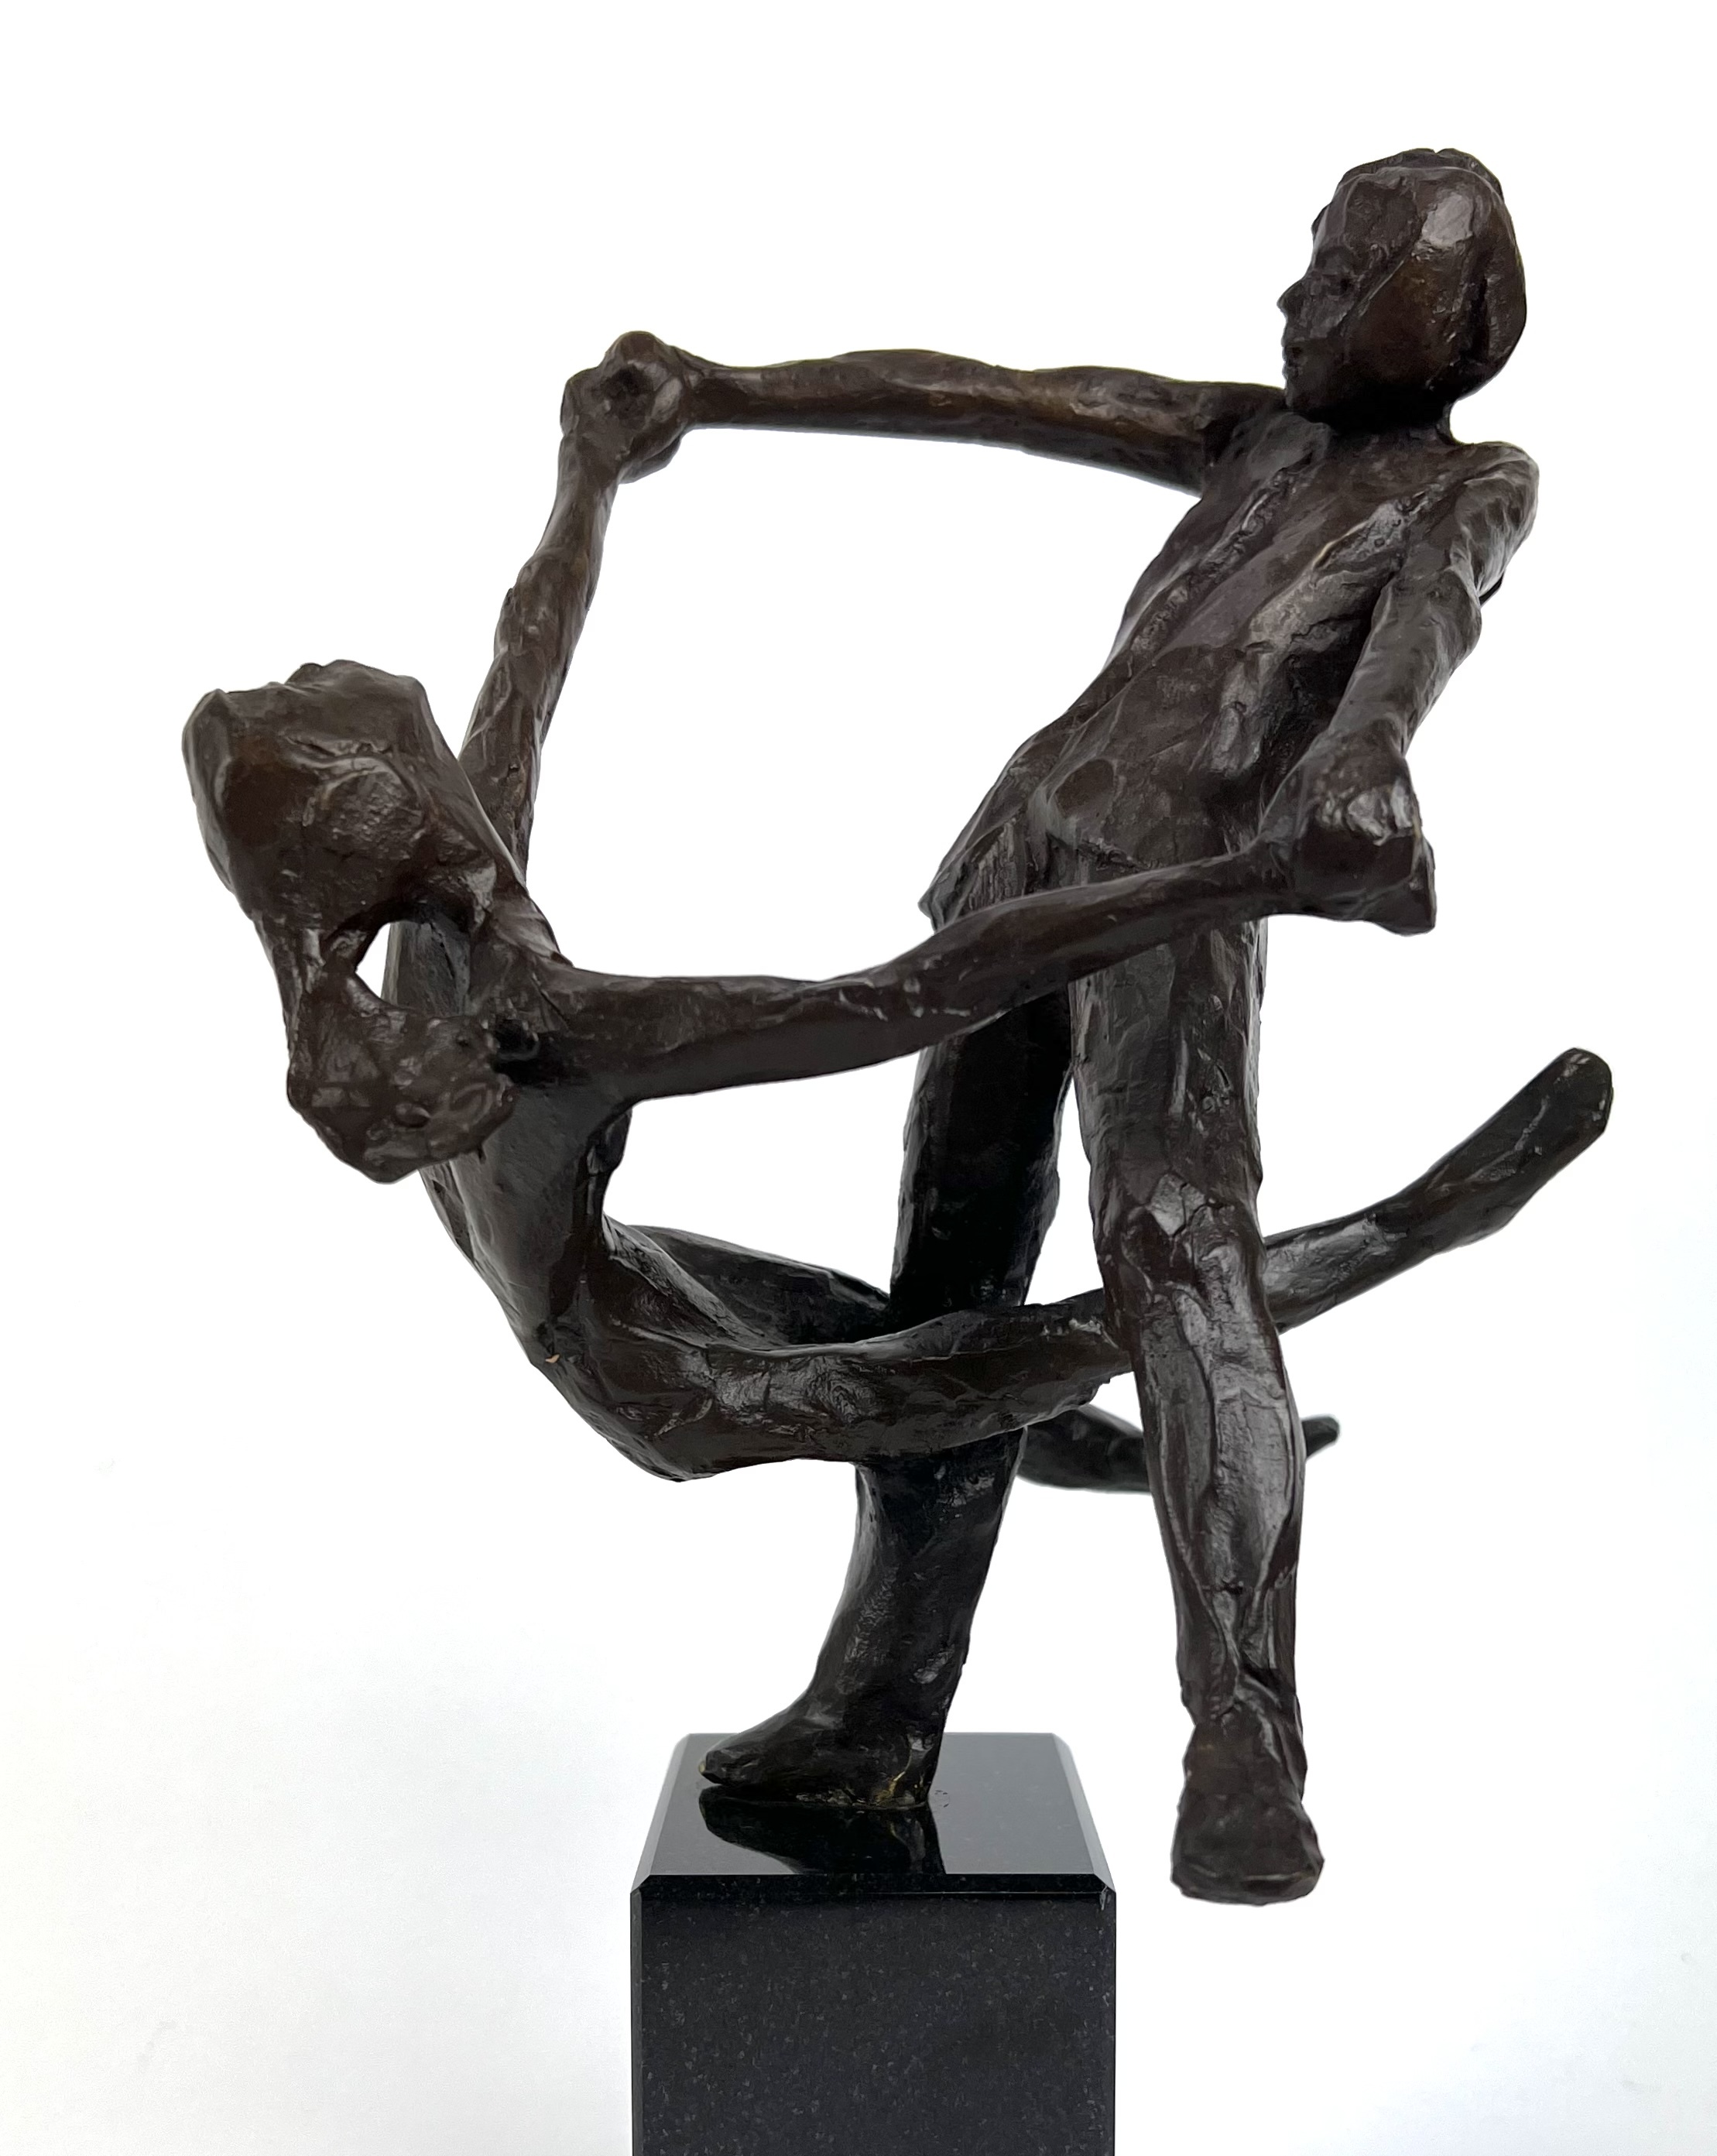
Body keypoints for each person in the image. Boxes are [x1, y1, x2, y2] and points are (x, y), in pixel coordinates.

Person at [183, 148, 1609, 1901]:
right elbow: (998, 396)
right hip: (1019, 852)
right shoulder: (1256, 439)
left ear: (1444, 316)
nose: (1296, 294)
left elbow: (1424, 631)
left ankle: (1242, 1728)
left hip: (1178, 880)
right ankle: (880, 1704)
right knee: (948, 1297)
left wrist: (1363, 763)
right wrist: (729, 389)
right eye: (1314, 258)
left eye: (1340, 268)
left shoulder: (1468, 484)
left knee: (1176, 1239)